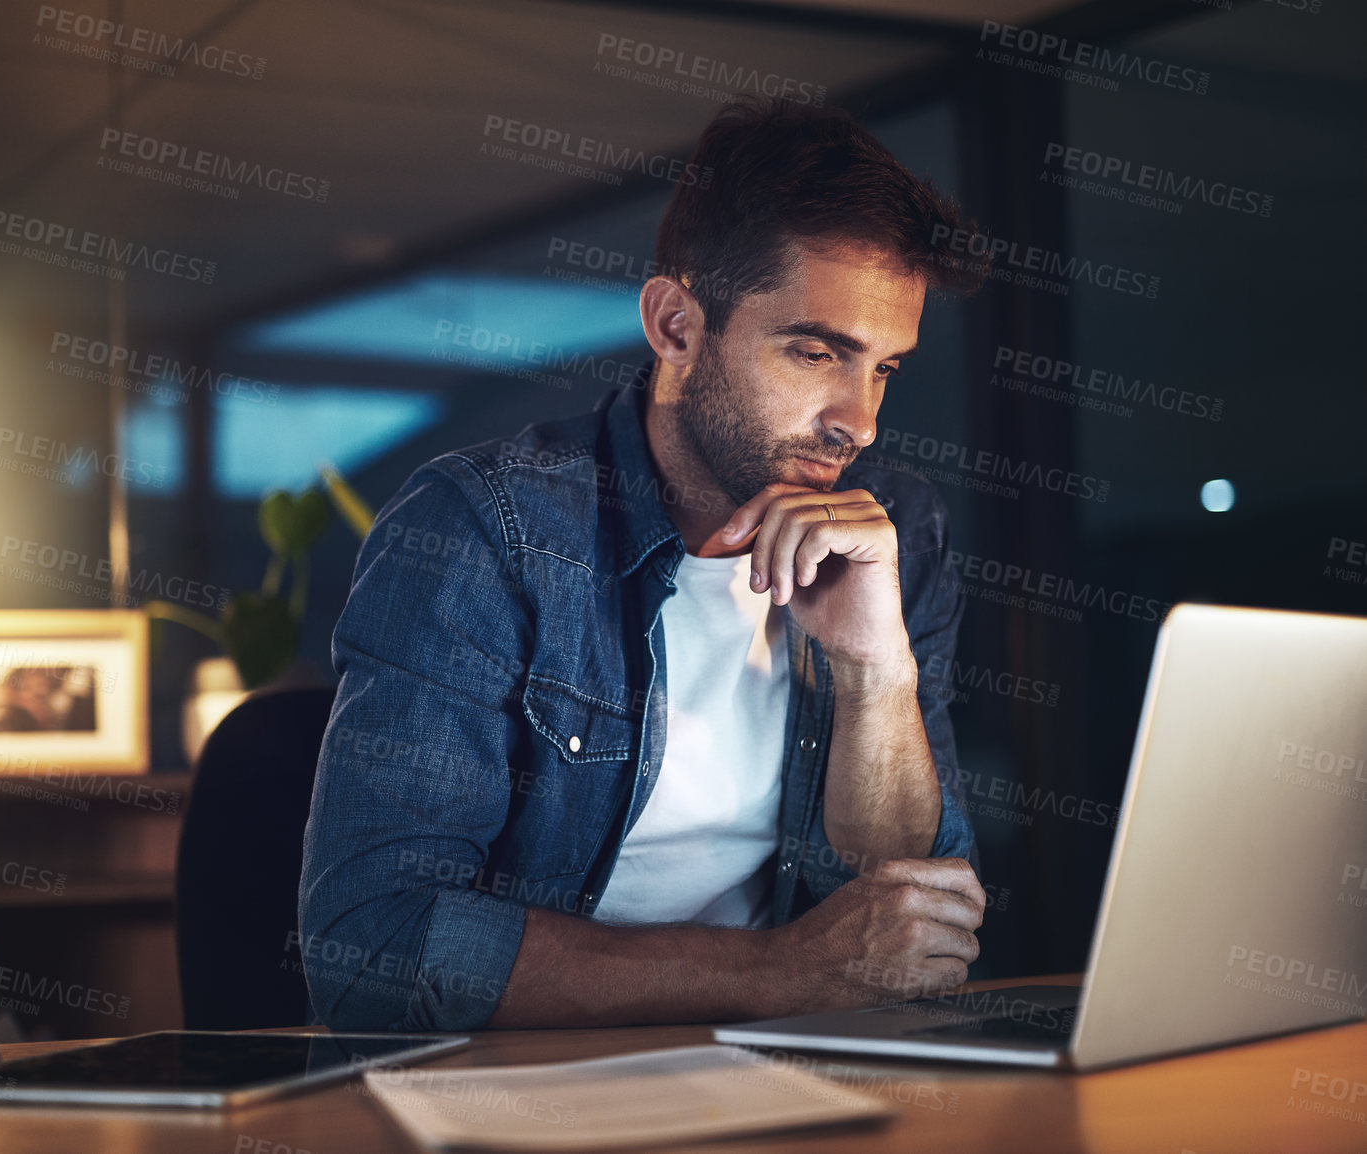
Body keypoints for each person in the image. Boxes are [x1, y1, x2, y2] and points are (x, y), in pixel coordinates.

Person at [299, 99, 988, 1032]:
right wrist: (783, 973)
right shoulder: (484, 528)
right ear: (675, 326)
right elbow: (373, 949)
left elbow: (917, 905)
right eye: (817, 351)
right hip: (528, 1091)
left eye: (884, 369)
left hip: (788, 1072)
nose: (858, 421)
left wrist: (876, 675)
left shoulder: (891, 526)